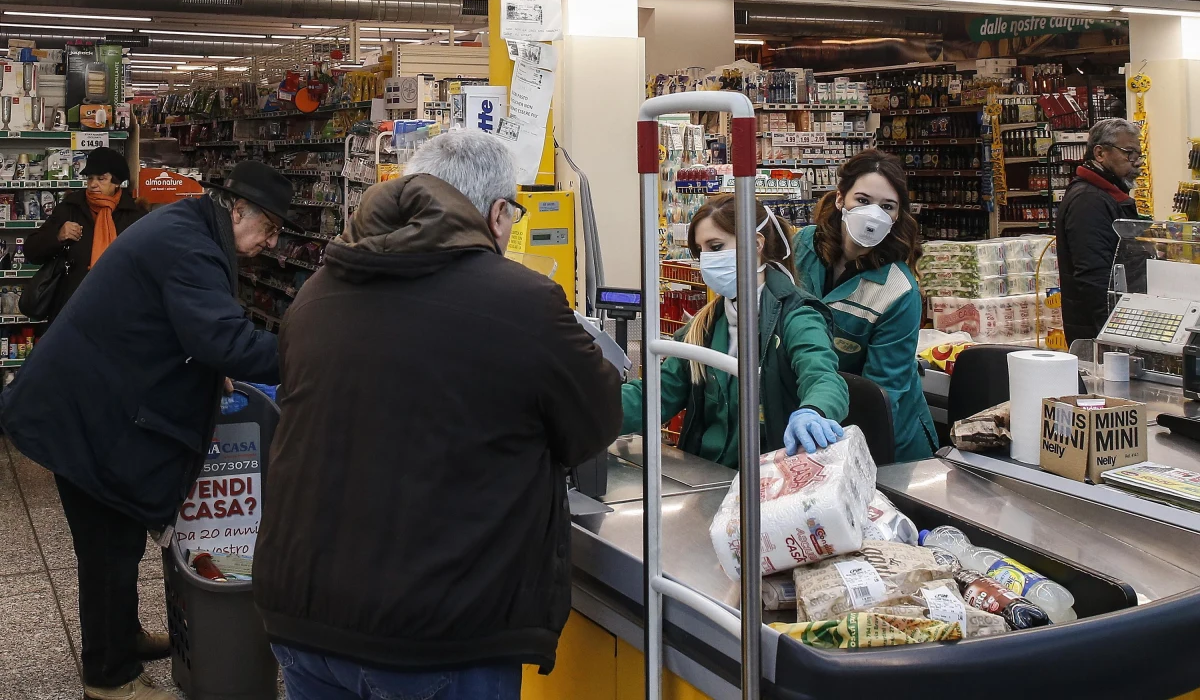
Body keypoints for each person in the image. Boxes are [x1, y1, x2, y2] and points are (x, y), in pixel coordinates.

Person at [253, 130, 623, 700]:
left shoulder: (318, 291)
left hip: (302, 616)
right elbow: (595, 423)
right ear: (499, 214)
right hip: (436, 633)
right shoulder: (523, 301)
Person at [0, 161, 292, 700]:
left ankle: (123, 636)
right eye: (270, 229)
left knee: (120, 539)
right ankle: (109, 678)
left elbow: (183, 324)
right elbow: (222, 339)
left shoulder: (190, 225)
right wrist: (311, 352)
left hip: (91, 399)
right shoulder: (192, 246)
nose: (271, 243)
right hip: (80, 413)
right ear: (238, 209)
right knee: (108, 545)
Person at [620, 194, 849, 468]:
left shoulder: (797, 315)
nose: (706, 259)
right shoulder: (704, 326)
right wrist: (587, 408)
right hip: (707, 477)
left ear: (755, 244)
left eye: (716, 247)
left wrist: (813, 411)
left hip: (771, 478)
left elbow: (823, 376)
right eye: (701, 250)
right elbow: (658, 394)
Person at [792, 150, 937, 462]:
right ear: (841, 199)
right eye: (863, 200)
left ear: (897, 216)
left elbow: (881, 396)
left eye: (886, 206)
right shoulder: (803, 246)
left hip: (884, 443)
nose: (873, 214)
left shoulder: (898, 291)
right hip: (812, 417)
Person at [23, 146, 146, 321]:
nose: (93, 184)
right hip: (70, 310)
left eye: (101, 179)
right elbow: (31, 251)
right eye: (90, 178)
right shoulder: (71, 208)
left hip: (118, 312)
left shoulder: (134, 216)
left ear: (116, 182)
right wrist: (57, 236)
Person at [1056, 118, 1147, 344]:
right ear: (1100, 153)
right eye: (1129, 153)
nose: (1136, 162)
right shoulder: (1089, 200)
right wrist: (1115, 335)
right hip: (1096, 334)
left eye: (1138, 155)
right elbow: (1094, 275)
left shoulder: (1106, 195)